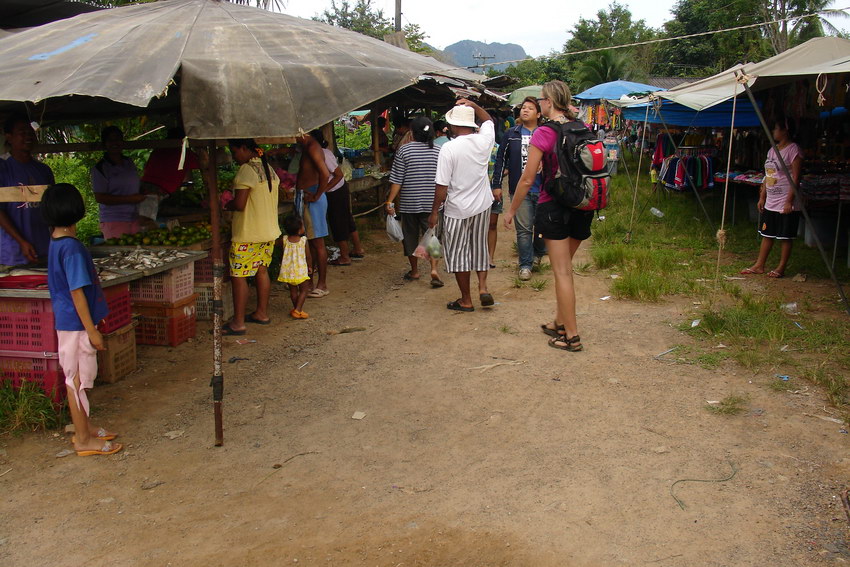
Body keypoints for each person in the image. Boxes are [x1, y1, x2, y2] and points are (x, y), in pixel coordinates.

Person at [504, 80, 591, 352]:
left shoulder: (544, 132)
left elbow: (528, 178)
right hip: (582, 205)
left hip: (554, 208)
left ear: (549, 103)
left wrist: (512, 209)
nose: (539, 103)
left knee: (563, 273)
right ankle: (558, 322)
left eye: (541, 100)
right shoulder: (582, 128)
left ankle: (571, 336)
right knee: (565, 268)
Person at [42, 183, 121, 456]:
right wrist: (92, 331)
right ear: (77, 210)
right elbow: (77, 293)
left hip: (69, 321)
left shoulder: (56, 241)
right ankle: (84, 439)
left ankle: (82, 427)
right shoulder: (72, 249)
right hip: (75, 324)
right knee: (75, 380)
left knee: (75, 378)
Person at [429, 99, 496, 312]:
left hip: (457, 209)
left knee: (459, 254)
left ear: (455, 126)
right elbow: (489, 121)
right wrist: (474, 106)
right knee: (479, 247)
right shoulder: (484, 140)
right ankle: (483, 288)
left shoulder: (448, 148)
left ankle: (466, 300)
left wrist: (434, 212)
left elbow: (442, 186)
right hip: (482, 205)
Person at [223, 139, 281, 335]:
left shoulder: (246, 170)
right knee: (261, 271)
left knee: (239, 277)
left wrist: (226, 204)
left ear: (244, 148)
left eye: (234, 151)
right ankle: (261, 313)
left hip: (248, 234)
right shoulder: (268, 169)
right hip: (269, 231)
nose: (233, 156)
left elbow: (239, 204)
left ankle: (238, 322)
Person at [740, 118, 804, 278]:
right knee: (767, 233)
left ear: (785, 130)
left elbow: (796, 178)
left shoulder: (793, 150)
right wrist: (762, 196)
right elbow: (768, 175)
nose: (773, 132)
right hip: (771, 199)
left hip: (786, 199)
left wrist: (789, 200)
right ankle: (759, 265)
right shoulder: (772, 150)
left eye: (775, 128)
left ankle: (781, 267)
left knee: (785, 235)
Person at [492, 97, 546, 281]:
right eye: (523, 107)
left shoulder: (545, 133)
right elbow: (500, 160)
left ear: (538, 114)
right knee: (524, 230)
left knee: (542, 228)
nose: (525, 110)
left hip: (544, 189)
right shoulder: (511, 134)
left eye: (530, 108)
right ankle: (525, 265)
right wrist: (497, 185)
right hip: (519, 190)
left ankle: (538, 254)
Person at [387, 116, 443, 287]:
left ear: (412, 132)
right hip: (432, 203)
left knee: (410, 237)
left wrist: (389, 201)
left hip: (409, 202)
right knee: (432, 237)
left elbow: (397, 180)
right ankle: (434, 269)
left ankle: (415, 271)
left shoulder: (404, 150)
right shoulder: (439, 151)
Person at [0, 114, 54, 266]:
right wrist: (21, 242)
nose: (28, 136)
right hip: (13, 254)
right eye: (22, 132)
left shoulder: (43, 170)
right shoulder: (3, 168)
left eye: (30, 132)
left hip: (43, 249)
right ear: (9, 137)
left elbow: (52, 208)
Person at [313, 130, 365, 265]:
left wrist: (323, 190)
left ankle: (344, 256)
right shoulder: (325, 152)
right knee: (346, 219)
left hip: (336, 191)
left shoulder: (323, 154)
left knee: (338, 222)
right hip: (338, 189)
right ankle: (357, 249)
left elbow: (338, 175)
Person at [91, 126, 146, 239]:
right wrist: (130, 199)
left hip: (134, 218)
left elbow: (135, 186)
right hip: (114, 220)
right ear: (105, 144)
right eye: (111, 140)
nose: (115, 143)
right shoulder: (101, 168)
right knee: (120, 254)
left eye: (118, 139)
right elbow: (100, 198)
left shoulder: (129, 162)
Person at [295, 131, 332, 297]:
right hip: (307, 196)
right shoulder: (307, 147)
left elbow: (325, 174)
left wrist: (317, 194)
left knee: (317, 243)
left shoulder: (312, 147)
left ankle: (322, 284)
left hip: (312, 197)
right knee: (309, 242)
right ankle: (309, 281)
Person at [139, 126, 201, 196]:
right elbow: (203, 163)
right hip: (160, 190)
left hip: (145, 185)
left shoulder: (158, 150)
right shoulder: (184, 154)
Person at [278, 214, 310, 319]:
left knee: (293, 291)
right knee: (304, 290)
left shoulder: (284, 240)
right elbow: (308, 255)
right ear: (299, 230)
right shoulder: (303, 241)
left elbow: (281, 253)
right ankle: (298, 310)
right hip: (300, 270)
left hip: (288, 270)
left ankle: (297, 309)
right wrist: (310, 266)